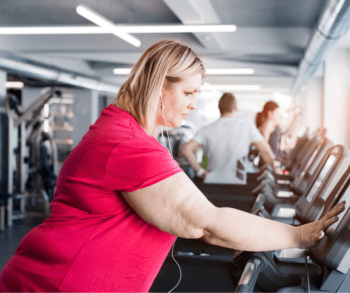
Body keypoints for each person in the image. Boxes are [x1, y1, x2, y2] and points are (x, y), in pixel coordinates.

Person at [0, 39, 345, 292]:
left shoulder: (123, 132)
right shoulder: (128, 144)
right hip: (56, 284)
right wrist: (298, 235)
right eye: (189, 93)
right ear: (160, 85)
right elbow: (207, 224)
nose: (195, 104)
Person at [182, 93, 276, 184]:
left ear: (219, 109)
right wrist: (275, 174)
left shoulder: (207, 129)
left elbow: (186, 150)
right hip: (238, 183)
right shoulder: (247, 126)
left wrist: (200, 172)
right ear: (236, 108)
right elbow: (265, 151)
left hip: (212, 183)